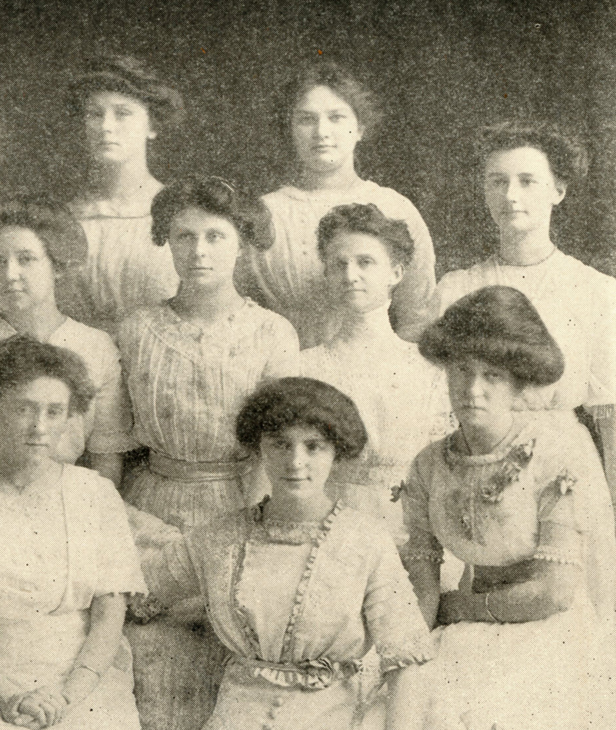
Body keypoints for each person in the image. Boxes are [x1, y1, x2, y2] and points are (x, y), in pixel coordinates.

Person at [139, 377, 432, 729]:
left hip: (331, 717)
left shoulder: (367, 540)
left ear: (336, 451)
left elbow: (405, 659)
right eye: (280, 444)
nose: (295, 461)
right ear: (259, 448)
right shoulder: (219, 538)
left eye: (313, 446)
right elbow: (137, 591)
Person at [117, 176, 299, 730]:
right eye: (184, 236)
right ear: (165, 242)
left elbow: (281, 449)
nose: (199, 252)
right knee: (150, 656)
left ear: (242, 244)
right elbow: (113, 446)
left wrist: (256, 529)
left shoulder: (272, 333)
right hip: (150, 505)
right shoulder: (135, 329)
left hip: (241, 503)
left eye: (216, 236)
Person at [401, 286, 616, 729]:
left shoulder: (553, 455)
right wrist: (408, 654)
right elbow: (424, 587)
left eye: (492, 376)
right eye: (461, 371)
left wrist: (463, 609)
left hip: (547, 631)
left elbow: (554, 592)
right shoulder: (427, 464)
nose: (473, 390)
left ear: (518, 382)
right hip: (462, 629)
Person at [0, 336, 147, 730]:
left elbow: (109, 614)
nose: (39, 427)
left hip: (82, 678)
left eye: (55, 412)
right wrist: (9, 697)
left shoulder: (95, 493)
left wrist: (69, 694)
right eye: (24, 409)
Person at [434, 120, 616, 493]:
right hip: (474, 471)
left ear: (558, 190)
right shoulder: (456, 288)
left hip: (565, 471)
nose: (510, 195)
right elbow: (435, 413)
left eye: (527, 181)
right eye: (498, 182)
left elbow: (610, 419)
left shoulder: (595, 291)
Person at [237, 61, 436, 349]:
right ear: (290, 129)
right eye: (306, 119)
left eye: (336, 117)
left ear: (360, 128)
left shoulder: (394, 207)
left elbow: (420, 318)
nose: (321, 132)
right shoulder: (263, 213)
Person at [0, 197, 136, 486]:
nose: (10, 274)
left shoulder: (95, 346)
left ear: (58, 265)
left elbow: (106, 457)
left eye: (26, 259)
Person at [298, 204, 453, 543]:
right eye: (339, 264)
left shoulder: (429, 370)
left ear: (396, 273)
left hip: (414, 532)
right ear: (326, 273)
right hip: (326, 533)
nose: (350, 275)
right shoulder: (304, 369)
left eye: (365, 262)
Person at [61, 55, 183, 336]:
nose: (106, 126)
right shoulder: (66, 219)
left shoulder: (180, 213)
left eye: (122, 113)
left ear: (151, 126)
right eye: (95, 114)